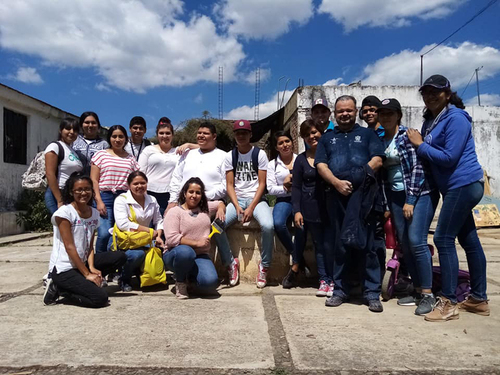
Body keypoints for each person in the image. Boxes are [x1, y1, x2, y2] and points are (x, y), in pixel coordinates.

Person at [407, 74, 489, 321]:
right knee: (469, 240)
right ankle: (478, 299)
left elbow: (449, 157)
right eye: (426, 92)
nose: (430, 96)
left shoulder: (456, 118)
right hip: (454, 187)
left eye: (436, 92)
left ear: (448, 93)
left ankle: (449, 302)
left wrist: (420, 144)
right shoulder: (431, 121)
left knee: (443, 239)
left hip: (464, 184)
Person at [316, 95, 385, 312]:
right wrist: (336, 183)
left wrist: (359, 177)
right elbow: (321, 164)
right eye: (340, 111)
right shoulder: (327, 138)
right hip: (336, 197)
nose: (345, 114)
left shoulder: (367, 134)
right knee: (340, 243)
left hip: (364, 197)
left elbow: (378, 159)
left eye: (349, 110)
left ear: (356, 112)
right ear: (334, 115)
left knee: (368, 245)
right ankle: (340, 290)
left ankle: (372, 292)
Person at [377, 98, 439, 315]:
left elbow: (418, 170)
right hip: (394, 195)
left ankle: (429, 295)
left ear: (398, 115)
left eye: (390, 113)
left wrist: (410, 200)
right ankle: (417, 288)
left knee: (416, 240)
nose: (385, 117)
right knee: (404, 243)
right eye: (382, 113)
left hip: (420, 192)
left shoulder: (407, 136)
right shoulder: (380, 139)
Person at [168, 122, 239, 286]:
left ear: (214, 137)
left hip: (210, 203)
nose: (201, 136)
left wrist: (205, 198)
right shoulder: (188, 154)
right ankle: (180, 268)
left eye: (205, 133)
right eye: (199, 133)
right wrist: (173, 200)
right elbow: (176, 179)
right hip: (184, 205)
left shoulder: (223, 156)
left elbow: (225, 184)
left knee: (217, 226)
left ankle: (229, 263)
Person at [43, 172, 127, 307]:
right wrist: (87, 274)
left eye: (87, 189)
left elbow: (89, 245)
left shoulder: (94, 213)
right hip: (64, 269)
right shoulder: (64, 213)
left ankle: (82, 281)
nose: (84, 193)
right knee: (100, 298)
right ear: (71, 192)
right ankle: (60, 289)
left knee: (120, 256)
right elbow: (69, 247)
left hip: (81, 263)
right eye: (79, 190)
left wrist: (92, 267)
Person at [224, 119, 273, 288]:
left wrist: (251, 207)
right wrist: (237, 206)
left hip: (257, 200)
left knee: (268, 225)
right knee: (216, 227)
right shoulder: (230, 156)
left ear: (250, 135)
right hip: (238, 199)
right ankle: (231, 262)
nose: (241, 136)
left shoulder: (259, 154)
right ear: (235, 135)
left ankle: (264, 266)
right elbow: (230, 185)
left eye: (244, 133)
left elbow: (262, 184)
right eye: (238, 133)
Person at [289, 120, 333, 295]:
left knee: (332, 245)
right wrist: (297, 211)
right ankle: (324, 280)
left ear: (321, 133)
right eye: (307, 134)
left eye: (314, 132)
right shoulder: (300, 159)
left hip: (329, 207)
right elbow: (297, 187)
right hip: (310, 209)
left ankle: (336, 279)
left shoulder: (330, 154)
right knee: (319, 245)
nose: (312, 136)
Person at [163, 177, 223, 299]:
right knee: (186, 252)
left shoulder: (205, 209)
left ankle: (189, 278)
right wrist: (197, 243)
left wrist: (221, 209)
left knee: (210, 283)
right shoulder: (174, 212)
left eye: (198, 193)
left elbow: (219, 203)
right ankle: (180, 282)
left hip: (200, 255)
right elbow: (172, 239)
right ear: (184, 193)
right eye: (191, 192)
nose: (194, 195)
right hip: (176, 254)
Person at [90, 125, 140, 253]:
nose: (117, 139)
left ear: (125, 139)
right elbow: (94, 180)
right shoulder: (100, 155)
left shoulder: (130, 159)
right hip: (104, 196)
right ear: (109, 138)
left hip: (123, 198)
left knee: (119, 234)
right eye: (114, 136)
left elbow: (135, 180)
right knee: (104, 233)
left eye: (121, 136)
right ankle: (99, 263)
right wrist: (98, 200)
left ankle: (114, 266)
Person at [113, 171, 164, 292]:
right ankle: (124, 278)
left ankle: (141, 275)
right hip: (127, 241)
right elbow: (123, 224)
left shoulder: (152, 199)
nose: (139, 186)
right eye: (136, 183)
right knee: (136, 255)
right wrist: (149, 231)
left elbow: (159, 220)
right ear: (129, 185)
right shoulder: (121, 200)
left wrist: (158, 236)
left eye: (143, 183)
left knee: (163, 251)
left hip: (147, 240)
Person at [266, 131, 306, 288]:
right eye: (281, 143)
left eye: (287, 141)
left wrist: (295, 186)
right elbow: (270, 189)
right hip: (284, 199)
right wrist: (285, 187)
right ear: (277, 147)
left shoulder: (301, 159)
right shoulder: (272, 165)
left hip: (302, 200)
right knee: (278, 223)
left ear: (292, 142)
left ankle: (296, 265)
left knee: (301, 226)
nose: (285, 145)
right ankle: (299, 258)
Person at [138, 117, 198, 216]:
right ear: (157, 135)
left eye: (168, 133)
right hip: (149, 193)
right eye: (161, 133)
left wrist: (188, 144)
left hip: (170, 195)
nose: (164, 136)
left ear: (172, 135)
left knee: (167, 226)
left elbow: (205, 146)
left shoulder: (179, 151)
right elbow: (140, 172)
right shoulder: (148, 150)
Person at [44, 118, 83, 214]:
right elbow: (50, 174)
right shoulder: (55, 146)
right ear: (61, 130)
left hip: (70, 194)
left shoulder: (72, 150)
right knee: (61, 227)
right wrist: (59, 200)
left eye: (75, 130)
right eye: (68, 129)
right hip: (58, 193)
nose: (71, 132)